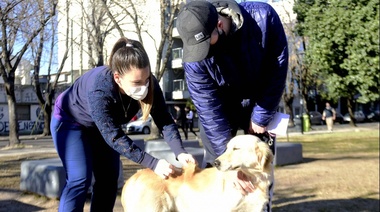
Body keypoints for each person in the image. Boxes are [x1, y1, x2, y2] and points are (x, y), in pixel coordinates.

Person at [50, 37, 195, 212]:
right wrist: (153, 163)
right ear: (117, 78)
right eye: (136, 83)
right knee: (79, 179)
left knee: (109, 179)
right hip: (71, 121)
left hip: (103, 127)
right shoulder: (100, 88)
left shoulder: (149, 83)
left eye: (146, 79)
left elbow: (164, 119)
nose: (144, 87)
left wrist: (180, 152)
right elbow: (113, 136)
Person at [177, 0, 288, 211]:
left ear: (219, 25)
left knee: (262, 167)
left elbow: (278, 67)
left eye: (205, 45)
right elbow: (206, 104)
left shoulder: (263, 17)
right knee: (219, 171)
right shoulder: (193, 56)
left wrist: (261, 115)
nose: (201, 53)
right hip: (220, 112)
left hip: (260, 103)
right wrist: (225, 159)